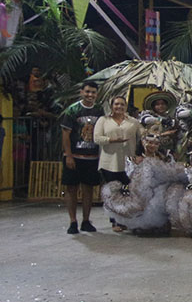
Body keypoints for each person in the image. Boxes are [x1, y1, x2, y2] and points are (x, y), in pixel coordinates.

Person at [60, 81, 104, 234]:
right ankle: (73, 221)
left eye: (93, 92)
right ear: (81, 92)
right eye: (87, 92)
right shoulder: (72, 110)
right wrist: (69, 155)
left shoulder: (99, 110)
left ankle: (86, 220)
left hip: (92, 157)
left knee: (88, 189)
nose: (90, 95)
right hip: (74, 155)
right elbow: (65, 134)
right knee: (71, 188)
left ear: (97, 94)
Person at [93, 95, 141, 231]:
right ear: (111, 106)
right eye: (116, 104)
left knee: (127, 193)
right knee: (113, 193)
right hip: (109, 162)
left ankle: (126, 219)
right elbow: (96, 138)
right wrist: (111, 140)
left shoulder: (133, 122)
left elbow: (142, 136)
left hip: (128, 163)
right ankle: (114, 221)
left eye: (122, 104)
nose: (119, 107)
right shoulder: (103, 120)